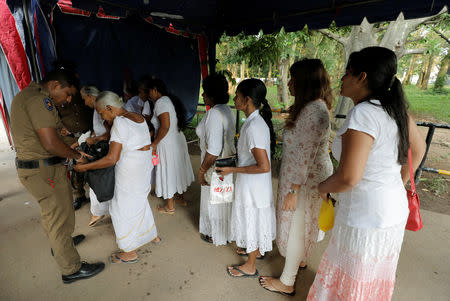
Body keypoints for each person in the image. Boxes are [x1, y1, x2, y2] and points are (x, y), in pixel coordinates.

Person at [307, 47, 426, 300]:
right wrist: (396, 183)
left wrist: (322, 187)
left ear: (361, 77)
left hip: (365, 217)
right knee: (371, 278)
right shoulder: (395, 110)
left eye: (346, 72)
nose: (341, 78)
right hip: (391, 210)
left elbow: (348, 177)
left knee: (353, 279)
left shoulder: (363, 114)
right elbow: (419, 148)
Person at [10, 69, 105, 284]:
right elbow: (51, 144)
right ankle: (71, 269)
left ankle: (62, 245)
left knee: (55, 212)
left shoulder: (29, 97)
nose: (69, 99)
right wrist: (76, 156)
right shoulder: (38, 101)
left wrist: (75, 142)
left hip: (37, 169)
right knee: (58, 217)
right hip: (43, 171)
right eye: (68, 93)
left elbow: (57, 132)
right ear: (54, 85)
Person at [259, 59, 334, 296]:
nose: (288, 83)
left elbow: (304, 156)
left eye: (292, 78)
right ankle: (298, 259)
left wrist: (293, 191)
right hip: (302, 178)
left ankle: (287, 281)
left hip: (304, 181)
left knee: (295, 226)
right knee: (300, 225)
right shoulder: (312, 107)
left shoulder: (313, 111)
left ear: (304, 82)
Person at [74, 91, 161, 263]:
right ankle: (152, 235)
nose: (103, 118)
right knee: (140, 201)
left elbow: (112, 158)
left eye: (102, 113)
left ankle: (129, 252)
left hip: (129, 170)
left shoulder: (120, 123)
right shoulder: (137, 117)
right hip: (143, 166)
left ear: (109, 108)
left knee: (121, 208)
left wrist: (85, 167)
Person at [216, 78, 276, 278]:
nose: (234, 98)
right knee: (255, 218)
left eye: (238, 96)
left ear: (247, 100)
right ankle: (254, 250)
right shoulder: (254, 122)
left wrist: (233, 170)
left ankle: (250, 266)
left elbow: (264, 166)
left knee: (251, 218)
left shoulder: (253, 127)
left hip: (253, 184)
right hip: (253, 183)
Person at [196, 74, 236, 245]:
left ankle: (214, 233)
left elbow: (212, 150)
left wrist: (202, 170)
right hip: (227, 161)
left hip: (214, 163)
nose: (202, 95)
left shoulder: (214, 114)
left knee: (213, 198)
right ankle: (224, 232)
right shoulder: (227, 110)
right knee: (222, 197)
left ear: (211, 95)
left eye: (205, 92)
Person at [148, 78, 194, 214]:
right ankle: (181, 198)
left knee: (168, 170)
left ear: (155, 89)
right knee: (177, 168)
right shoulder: (169, 100)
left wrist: (155, 143)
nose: (149, 94)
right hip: (176, 139)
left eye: (149, 91)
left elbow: (165, 126)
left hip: (167, 142)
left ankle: (169, 206)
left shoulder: (161, 102)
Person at [53, 61, 93, 210]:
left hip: (87, 133)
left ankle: (98, 193)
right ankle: (79, 195)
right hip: (70, 137)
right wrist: (60, 126)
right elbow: (52, 116)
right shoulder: (55, 97)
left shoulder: (81, 91)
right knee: (74, 167)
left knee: (92, 162)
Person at [79, 86, 111, 227]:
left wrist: (96, 139)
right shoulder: (97, 110)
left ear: (91, 96)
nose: (85, 103)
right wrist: (93, 135)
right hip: (100, 145)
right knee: (98, 179)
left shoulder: (101, 109)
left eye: (85, 99)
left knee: (99, 179)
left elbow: (110, 132)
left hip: (105, 147)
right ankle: (98, 211)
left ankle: (99, 211)